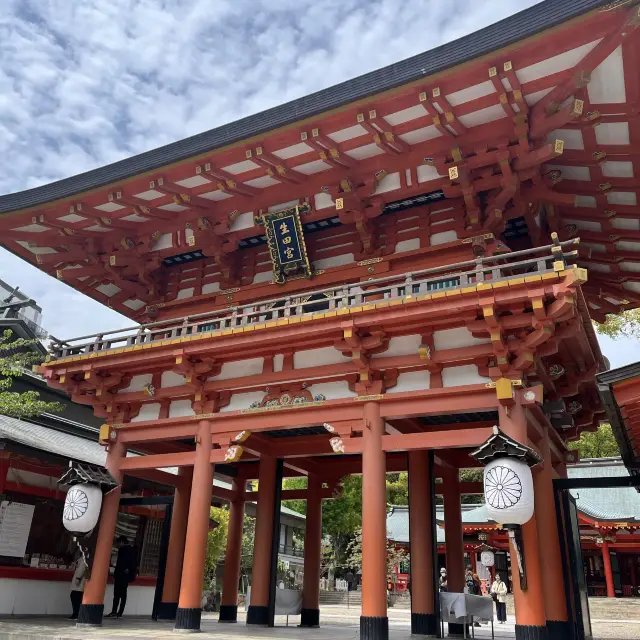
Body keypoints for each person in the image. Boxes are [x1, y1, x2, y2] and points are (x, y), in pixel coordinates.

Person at [106, 536, 137, 618]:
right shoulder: (132, 550)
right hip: (125, 576)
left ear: (122, 542)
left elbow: (122, 563)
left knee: (117, 595)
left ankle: (114, 611)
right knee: (122, 595)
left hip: (121, 575)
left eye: (118, 543)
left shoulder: (124, 550)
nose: (118, 545)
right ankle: (119, 612)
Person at [68, 554, 87, 620]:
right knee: (77, 597)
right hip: (81, 580)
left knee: (74, 596)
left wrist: (78, 578)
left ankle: (76, 614)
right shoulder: (83, 558)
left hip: (80, 580)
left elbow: (81, 568)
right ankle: (77, 613)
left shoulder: (84, 558)